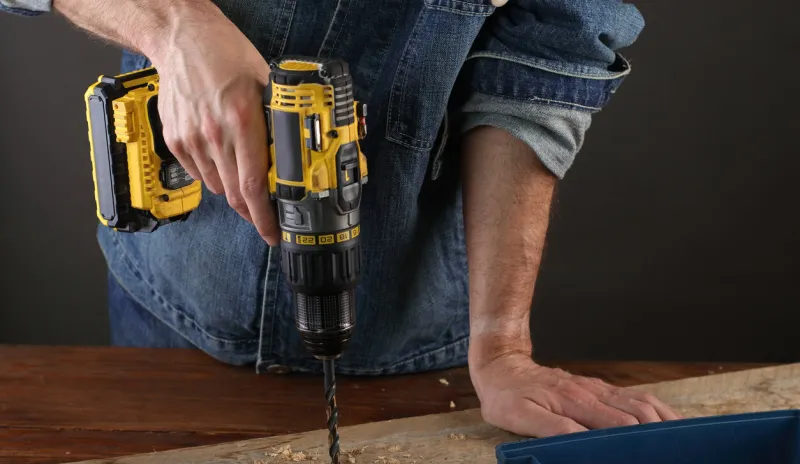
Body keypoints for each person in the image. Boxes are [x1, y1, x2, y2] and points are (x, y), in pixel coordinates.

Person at [2, 0, 680, 436]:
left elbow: (546, 60)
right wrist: (173, 25)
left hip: (417, 339)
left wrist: (502, 346)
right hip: (170, 303)